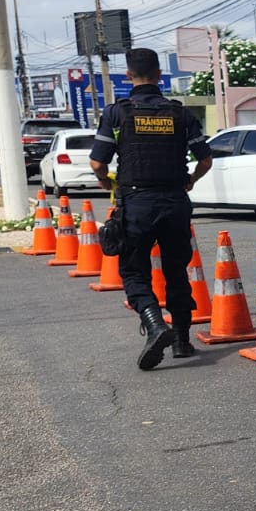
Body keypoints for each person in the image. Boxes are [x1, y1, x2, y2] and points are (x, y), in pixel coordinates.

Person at [89, 47, 213, 370]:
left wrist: (106, 181)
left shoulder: (117, 113)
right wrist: (191, 181)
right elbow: (206, 159)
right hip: (174, 202)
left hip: (136, 204)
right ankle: (183, 341)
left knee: (133, 270)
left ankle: (155, 324)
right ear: (160, 75)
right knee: (176, 269)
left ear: (128, 76)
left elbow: (97, 162)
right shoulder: (180, 114)